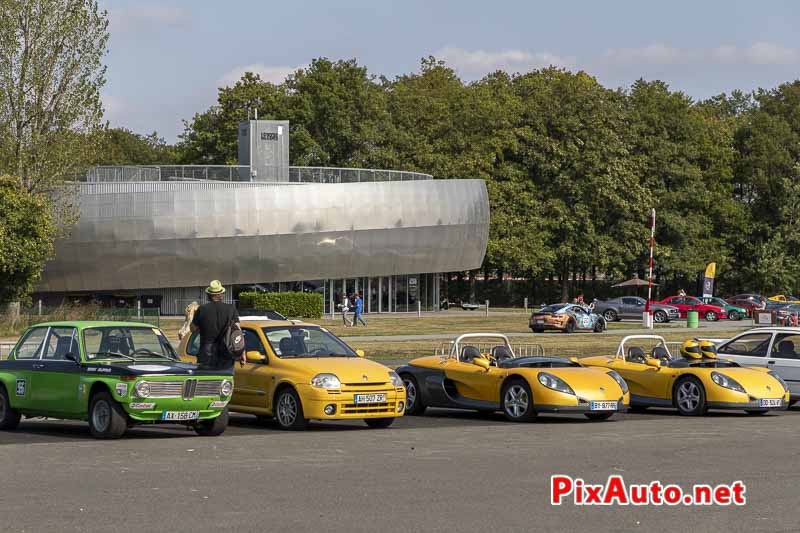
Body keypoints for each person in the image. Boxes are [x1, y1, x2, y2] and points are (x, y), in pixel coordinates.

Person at [190, 280, 244, 372]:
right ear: (222, 294)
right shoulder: (231, 309)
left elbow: (193, 329)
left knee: (206, 382)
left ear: (208, 295)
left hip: (206, 351)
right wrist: (242, 352)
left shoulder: (202, 309)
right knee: (224, 382)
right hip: (226, 350)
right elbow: (238, 332)